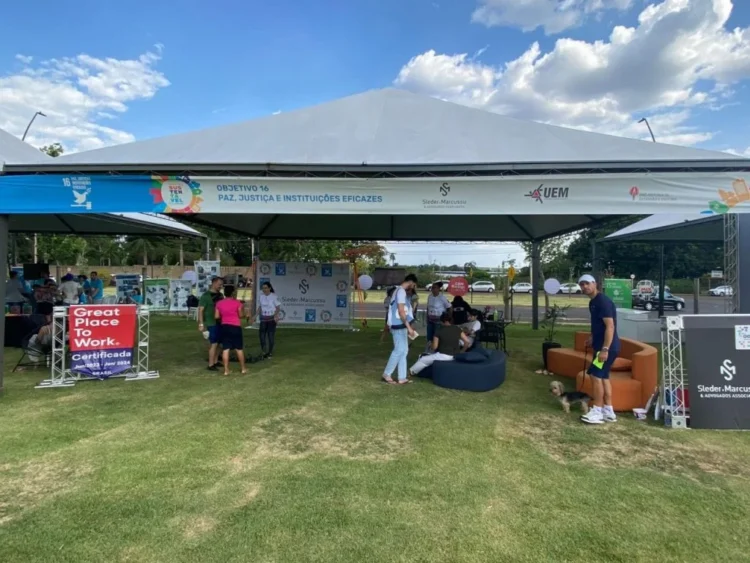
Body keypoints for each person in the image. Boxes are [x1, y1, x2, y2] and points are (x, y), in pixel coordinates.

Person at [578, 274, 620, 425]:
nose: (585, 287)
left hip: (607, 348)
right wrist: (592, 337)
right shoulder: (593, 302)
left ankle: (597, 411)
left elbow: (610, 326)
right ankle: (608, 411)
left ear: (595, 284)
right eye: (582, 285)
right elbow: (599, 325)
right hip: (602, 346)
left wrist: (605, 349)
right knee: (603, 377)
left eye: (587, 284)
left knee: (595, 376)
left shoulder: (602, 301)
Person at [382, 274, 418, 385]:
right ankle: (387, 374)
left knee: (404, 350)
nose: (414, 288)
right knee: (399, 350)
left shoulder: (399, 291)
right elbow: (401, 311)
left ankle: (402, 377)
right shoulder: (401, 291)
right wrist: (409, 327)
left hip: (401, 325)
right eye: (414, 285)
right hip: (399, 325)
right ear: (412, 283)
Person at [215, 285, 247, 375]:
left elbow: (216, 316)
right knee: (239, 348)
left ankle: (226, 370)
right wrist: (244, 314)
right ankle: (243, 368)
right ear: (233, 293)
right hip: (235, 327)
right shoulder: (237, 303)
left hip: (225, 326)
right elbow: (240, 315)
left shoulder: (219, 303)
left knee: (226, 348)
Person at [198, 276, 224, 371]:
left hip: (220, 322)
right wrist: (201, 324)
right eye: (219, 284)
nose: (220, 286)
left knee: (219, 344)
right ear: (213, 283)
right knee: (213, 343)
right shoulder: (205, 296)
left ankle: (216, 361)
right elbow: (200, 311)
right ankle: (210, 364)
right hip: (210, 323)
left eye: (221, 285)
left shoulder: (221, 296)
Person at [254, 282, 281, 358]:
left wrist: (275, 316)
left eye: (266, 288)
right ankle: (263, 351)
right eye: (263, 288)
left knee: (270, 336)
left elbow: (278, 308)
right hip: (263, 318)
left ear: (269, 288)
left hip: (272, 319)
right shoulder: (261, 296)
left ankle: (270, 352)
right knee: (262, 335)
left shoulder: (274, 296)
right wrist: (255, 316)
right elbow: (260, 307)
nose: (264, 289)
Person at [425, 282, 451, 352]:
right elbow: (428, 307)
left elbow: (449, 307)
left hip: (439, 321)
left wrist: (448, 318)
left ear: (438, 289)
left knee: (436, 336)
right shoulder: (430, 296)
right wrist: (426, 317)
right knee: (429, 336)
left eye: (434, 288)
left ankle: (437, 350)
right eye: (432, 288)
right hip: (430, 320)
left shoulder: (442, 297)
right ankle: (428, 350)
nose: (432, 289)